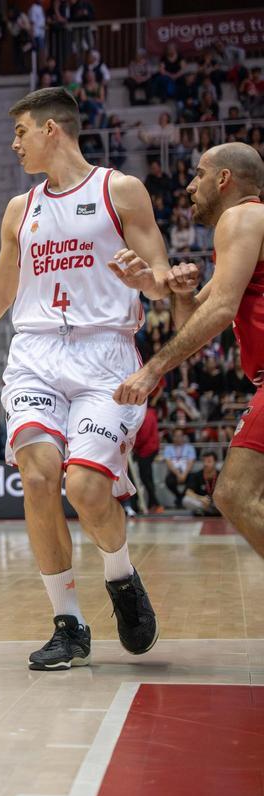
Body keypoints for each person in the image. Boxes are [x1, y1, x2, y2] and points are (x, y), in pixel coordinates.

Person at [0, 87, 170, 671]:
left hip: (105, 355)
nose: (15, 143)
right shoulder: (17, 210)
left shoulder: (119, 191)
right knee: (37, 474)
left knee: (85, 489)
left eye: (22, 131)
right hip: (35, 354)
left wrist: (144, 277)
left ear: (53, 130)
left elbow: (160, 279)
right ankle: (68, 623)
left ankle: (121, 576)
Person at [114, 142, 264, 558]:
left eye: (199, 174)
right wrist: (182, 294)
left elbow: (220, 310)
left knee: (233, 493)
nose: (189, 185)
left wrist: (153, 369)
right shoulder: (248, 225)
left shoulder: (241, 216)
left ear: (224, 179)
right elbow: (193, 320)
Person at [181, 452, 220, 516]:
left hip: (217, 503)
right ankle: (210, 511)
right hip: (202, 503)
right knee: (186, 500)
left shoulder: (221, 475)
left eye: (209, 461)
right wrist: (201, 498)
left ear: (215, 462)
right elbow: (188, 492)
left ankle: (207, 511)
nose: (205, 464)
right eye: (204, 461)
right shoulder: (196, 475)